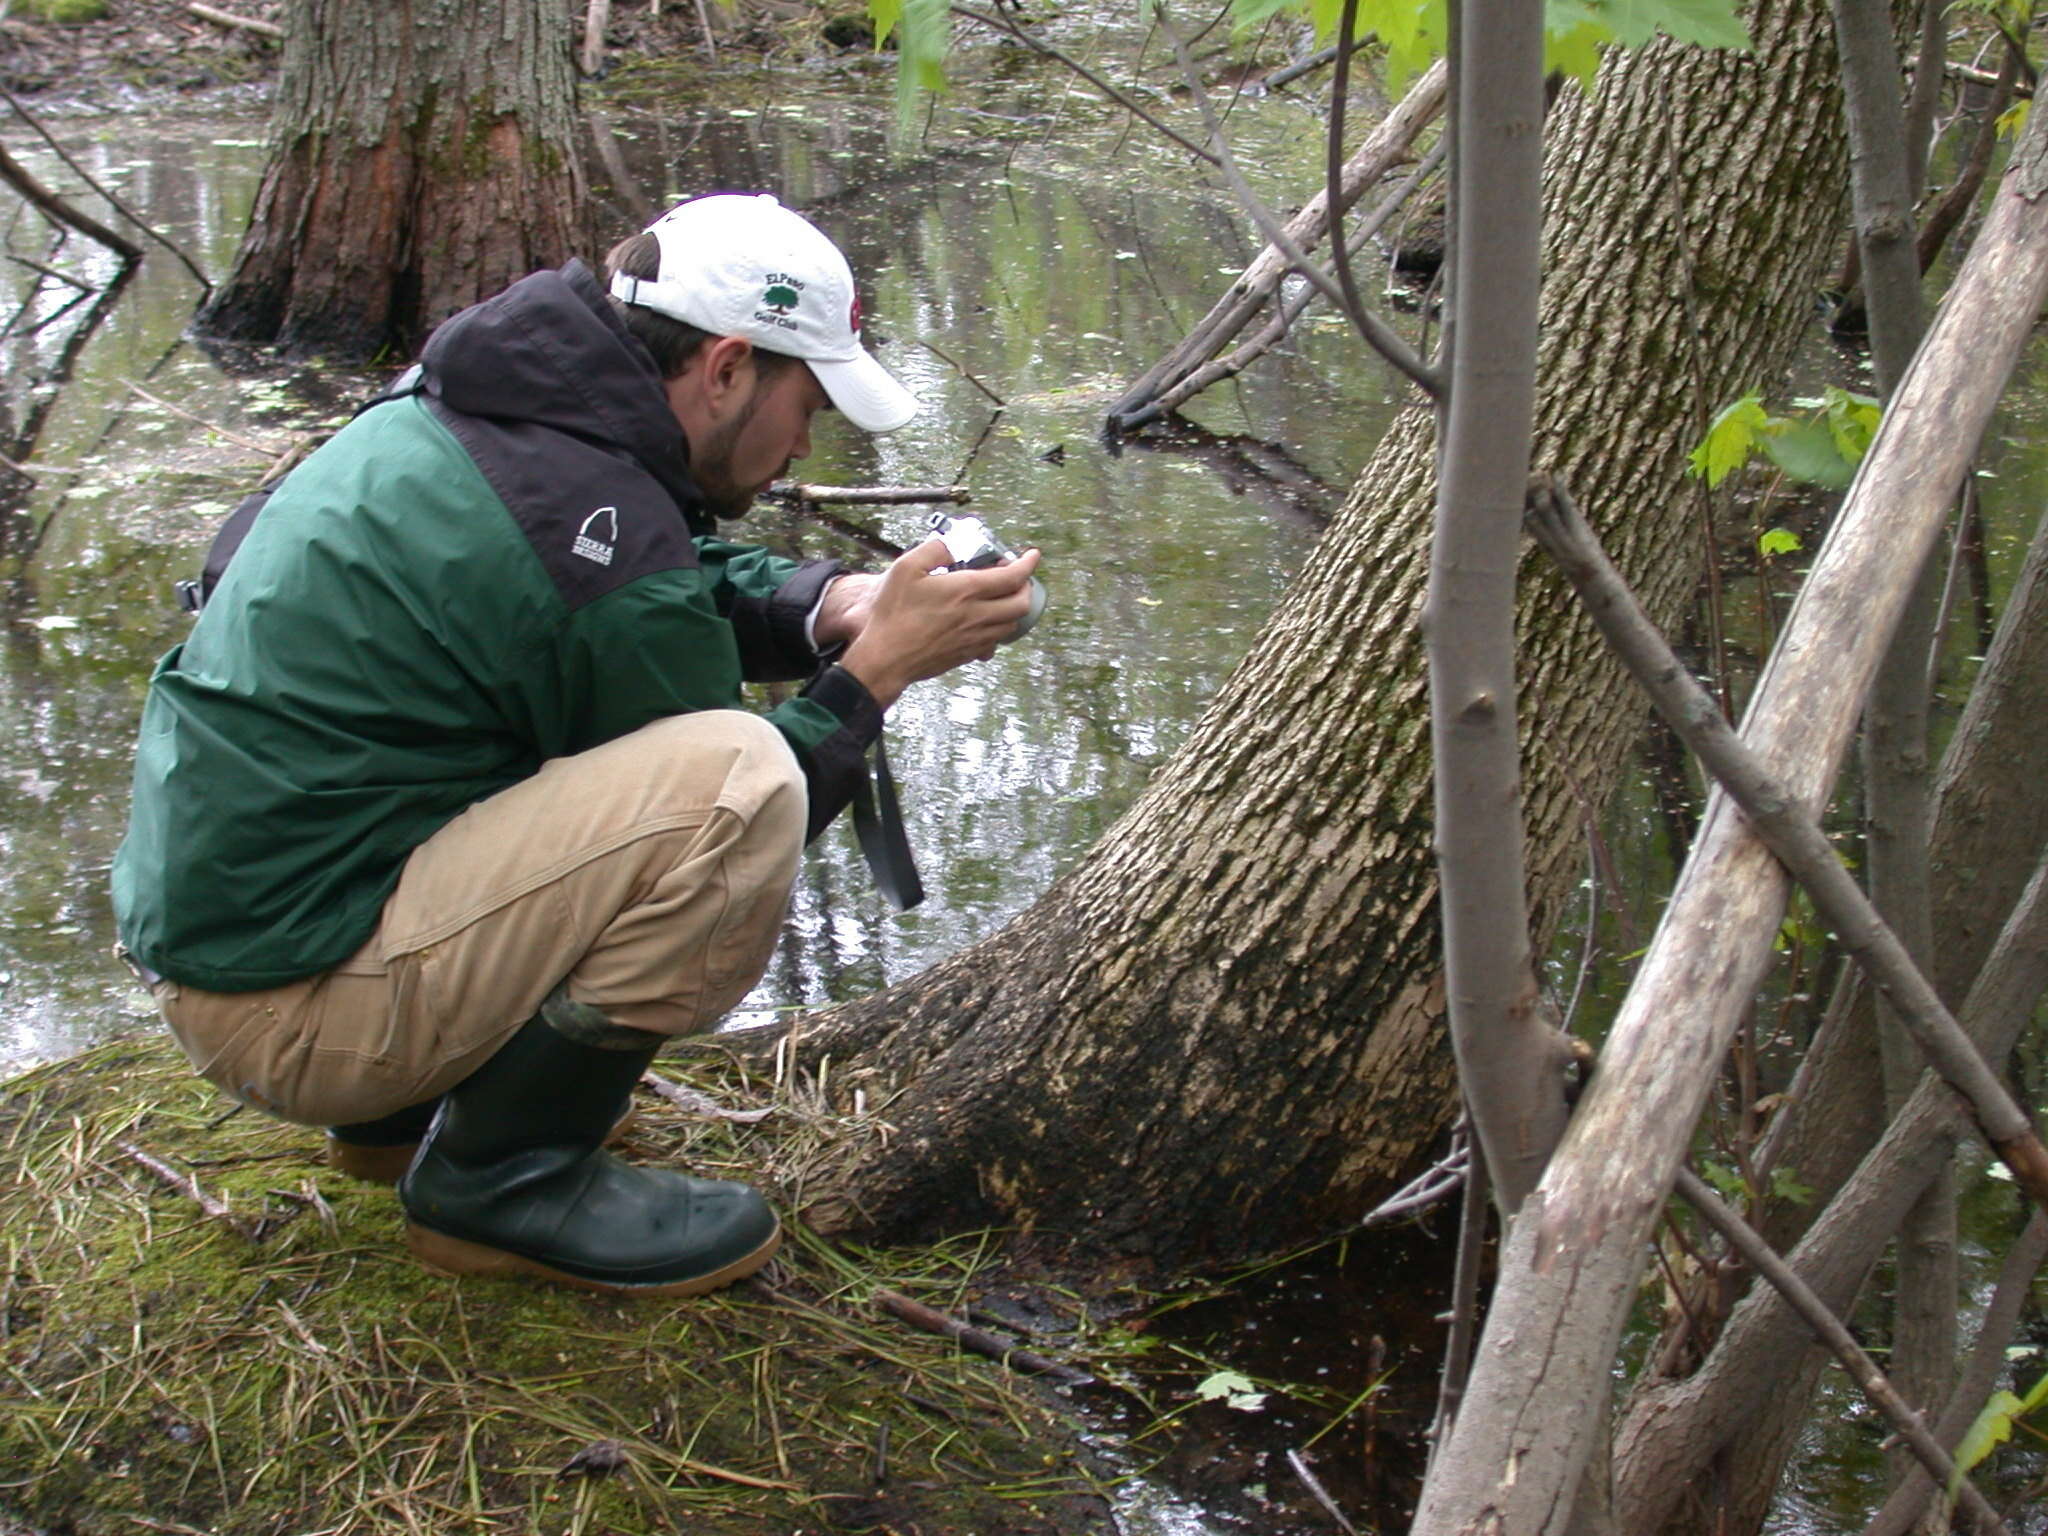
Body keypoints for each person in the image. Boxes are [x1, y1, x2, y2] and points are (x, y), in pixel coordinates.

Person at [110, 192, 1040, 1298]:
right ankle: (501, 1182)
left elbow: (623, 583)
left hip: (239, 950)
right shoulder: (583, 512)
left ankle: (400, 1116)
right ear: (727, 369)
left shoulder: (483, 413)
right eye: (808, 403)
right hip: (290, 1013)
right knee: (729, 785)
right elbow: (738, 798)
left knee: (624, 773)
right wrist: (877, 666)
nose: (803, 446)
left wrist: (826, 603)